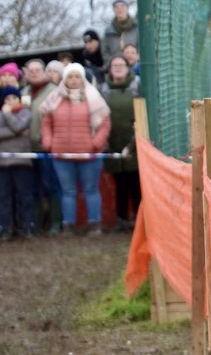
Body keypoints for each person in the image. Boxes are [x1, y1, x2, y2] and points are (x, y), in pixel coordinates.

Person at [41, 63, 111, 235]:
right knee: (68, 192)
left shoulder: (94, 98)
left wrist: (96, 143)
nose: (73, 80)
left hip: (89, 155)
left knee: (91, 190)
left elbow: (105, 123)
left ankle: (94, 224)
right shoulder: (54, 98)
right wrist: (48, 142)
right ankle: (68, 226)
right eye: (70, 77)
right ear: (64, 79)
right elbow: (46, 122)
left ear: (82, 78)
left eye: (77, 76)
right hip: (61, 155)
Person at [22, 59, 62, 234]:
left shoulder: (54, 91)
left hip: (47, 148)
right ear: (26, 73)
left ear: (44, 71)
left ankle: (55, 223)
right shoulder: (24, 92)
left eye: (38, 69)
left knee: (51, 185)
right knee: (34, 187)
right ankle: (38, 224)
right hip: (27, 150)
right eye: (31, 70)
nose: (35, 73)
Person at [103, 56, 141, 231]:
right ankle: (121, 219)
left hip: (134, 143)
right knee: (120, 185)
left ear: (128, 68)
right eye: (114, 65)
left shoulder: (137, 87)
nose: (117, 68)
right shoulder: (104, 90)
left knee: (135, 184)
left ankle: (138, 219)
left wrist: (133, 143)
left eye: (121, 65)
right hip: (112, 143)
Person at [0, 85, 37, 239]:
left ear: (19, 99)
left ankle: (27, 225)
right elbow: (17, 129)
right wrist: (17, 132)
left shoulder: (26, 112)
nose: (10, 102)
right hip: (3, 163)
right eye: (7, 99)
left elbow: (20, 125)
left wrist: (8, 117)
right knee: (4, 197)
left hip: (22, 161)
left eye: (13, 98)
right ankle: (6, 228)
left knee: (24, 196)